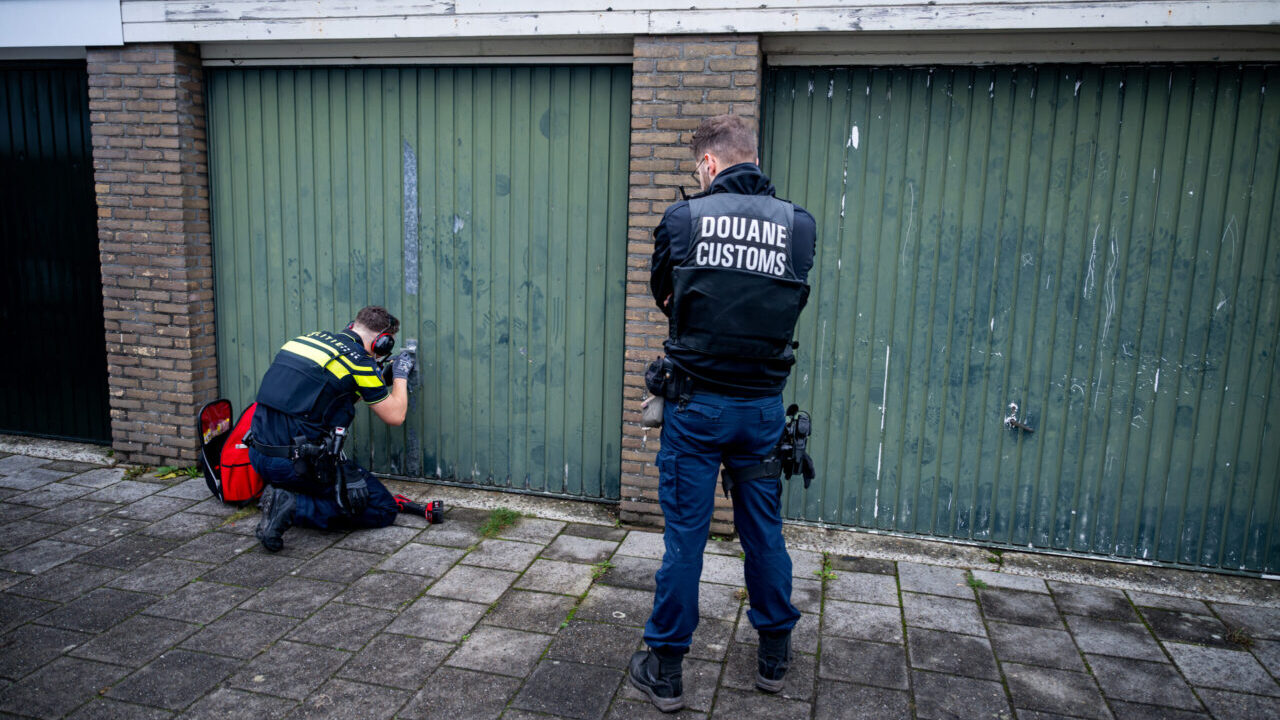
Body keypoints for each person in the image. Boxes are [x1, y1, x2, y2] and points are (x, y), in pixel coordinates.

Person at [629, 115, 817, 712]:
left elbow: (666, 298)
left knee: (686, 540)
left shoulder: (684, 220)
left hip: (697, 408)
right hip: (761, 412)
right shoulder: (799, 226)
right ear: (751, 159)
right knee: (764, 534)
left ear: (709, 164)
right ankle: (774, 658)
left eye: (696, 168)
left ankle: (665, 670)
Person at [248, 305, 420, 552]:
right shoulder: (360, 362)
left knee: (330, 483)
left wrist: (378, 380)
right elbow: (395, 415)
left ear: (352, 325)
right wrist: (401, 375)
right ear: (383, 342)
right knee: (383, 508)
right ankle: (293, 504)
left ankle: (281, 494)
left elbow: (332, 395)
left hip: (258, 455)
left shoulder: (305, 341)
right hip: (297, 466)